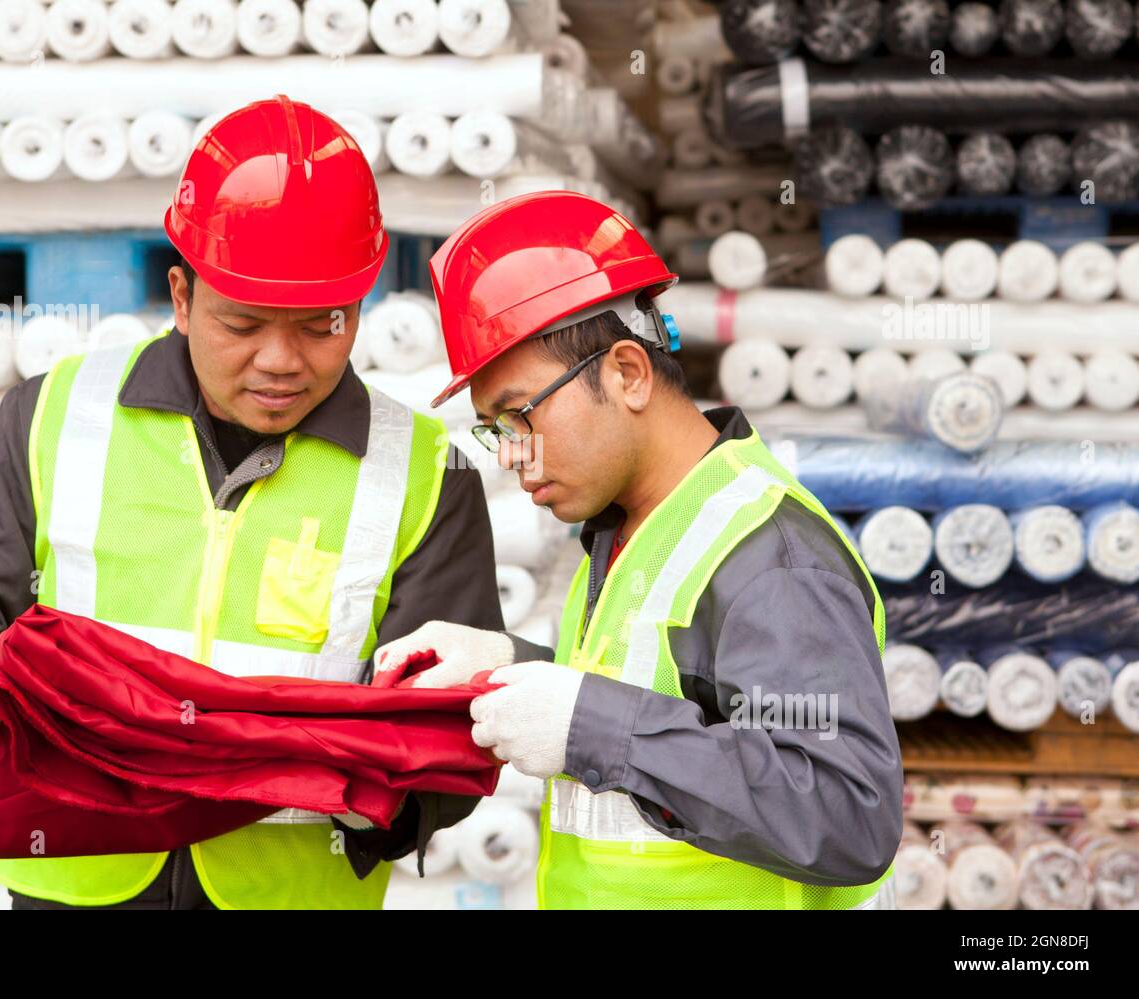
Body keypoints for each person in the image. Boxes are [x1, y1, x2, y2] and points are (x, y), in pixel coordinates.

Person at [0, 97, 520, 910]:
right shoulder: (57, 415)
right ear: (180, 295)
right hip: (80, 882)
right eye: (242, 323)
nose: (280, 361)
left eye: (321, 326)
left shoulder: (426, 470)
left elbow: (450, 734)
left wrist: (386, 798)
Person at [373, 190, 904, 909]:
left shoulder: (769, 556)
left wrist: (586, 721)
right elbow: (673, 704)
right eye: (496, 429)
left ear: (627, 372)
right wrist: (514, 668)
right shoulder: (632, 526)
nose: (512, 454)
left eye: (521, 414)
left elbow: (848, 812)